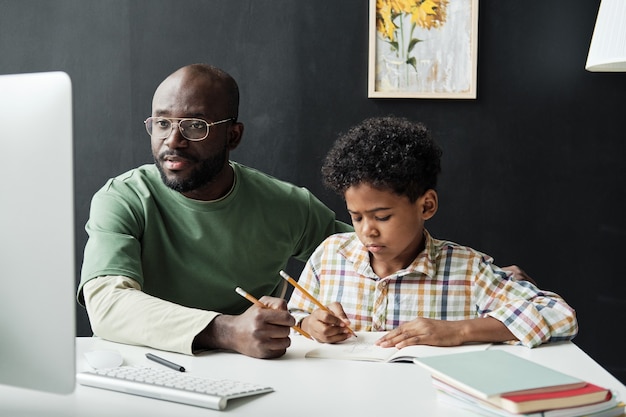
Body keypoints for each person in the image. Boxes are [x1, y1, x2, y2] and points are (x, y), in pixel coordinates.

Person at [77, 64, 352, 358]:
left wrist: (322, 316)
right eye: (162, 123)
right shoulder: (124, 197)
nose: (173, 141)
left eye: (195, 125)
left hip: (248, 376)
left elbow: (374, 248)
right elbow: (107, 303)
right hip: (137, 370)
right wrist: (227, 331)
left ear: (233, 136)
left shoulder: (286, 205)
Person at [287, 116, 578, 349]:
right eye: (356, 217)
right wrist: (310, 324)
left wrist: (458, 331)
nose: (367, 231)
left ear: (426, 205)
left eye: (382, 217)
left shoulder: (467, 271)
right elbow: (296, 317)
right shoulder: (330, 256)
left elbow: (560, 315)